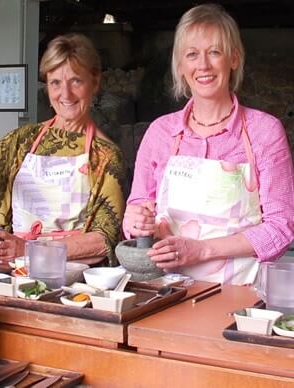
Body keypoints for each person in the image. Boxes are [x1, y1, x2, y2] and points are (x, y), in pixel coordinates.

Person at [124, 4, 294, 285]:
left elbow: (281, 227)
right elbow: (137, 212)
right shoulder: (160, 133)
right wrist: (136, 223)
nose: (203, 65)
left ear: (234, 59)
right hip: (167, 291)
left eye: (214, 52)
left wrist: (201, 251)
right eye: (192, 54)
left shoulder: (264, 132)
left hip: (241, 294)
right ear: (180, 66)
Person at [0, 33, 125, 264]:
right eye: (55, 83)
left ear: (95, 82)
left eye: (76, 81)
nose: (65, 94)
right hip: (12, 268)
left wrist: (30, 249)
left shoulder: (106, 155)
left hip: (69, 275)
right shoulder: (22, 140)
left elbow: (104, 238)